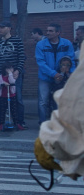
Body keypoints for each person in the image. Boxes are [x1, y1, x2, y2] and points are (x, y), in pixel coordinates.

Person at [36, 48, 84, 180]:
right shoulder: (59, 74)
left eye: (67, 65)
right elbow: (57, 84)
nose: (65, 67)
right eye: (63, 65)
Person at [35, 23, 75, 124]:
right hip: (45, 77)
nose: (47, 33)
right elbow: (40, 62)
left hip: (62, 77)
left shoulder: (67, 44)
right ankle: (43, 122)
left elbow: (71, 60)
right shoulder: (40, 44)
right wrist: (53, 74)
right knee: (43, 101)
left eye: (51, 31)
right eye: (47, 30)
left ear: (58, 32)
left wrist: (70, 72)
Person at [0, 21, 26, 129]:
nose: (0, 29)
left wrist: (18, 70)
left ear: (9, 28)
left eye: (2, 27)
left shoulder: (17, 41)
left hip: (13, 74)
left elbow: (21, 57)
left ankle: (19, 121)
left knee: (17, 98)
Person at [0, 62, 24, 130]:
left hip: (11, 95)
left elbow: (12, 82)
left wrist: (10, 74)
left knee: (14, 110)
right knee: (3, 110)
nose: (11, 69)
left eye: (11, 68)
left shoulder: (11, 76)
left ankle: (16, 123)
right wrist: (3, 83)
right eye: (9, 68)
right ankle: (1, 123)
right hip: (3, 96)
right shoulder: (0, 77)